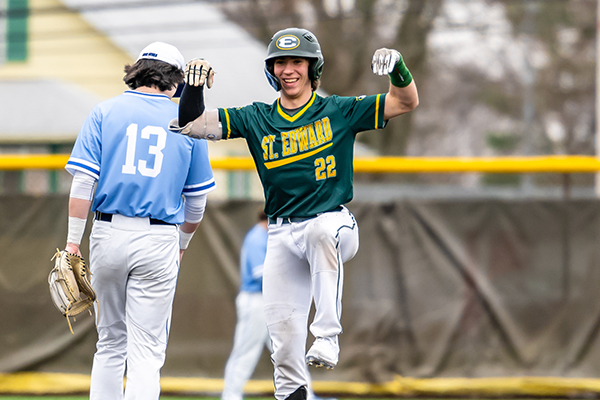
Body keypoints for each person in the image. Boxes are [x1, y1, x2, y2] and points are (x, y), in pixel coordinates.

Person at [171, 27, 419, 400]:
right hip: (282, 234)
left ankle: (327, 336)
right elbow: (191, 124)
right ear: (272, 69)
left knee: (322, 232)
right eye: (281, 62)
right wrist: (193, 87)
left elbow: (405, 102)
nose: (288, 69)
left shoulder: (337, 110)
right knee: (285, 349)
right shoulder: (256, 118)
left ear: (312, 67)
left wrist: (398, 67)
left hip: (334, 222)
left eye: (297, 61)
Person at [63, 41, 216, 400]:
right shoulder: (187, 122)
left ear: (138, 71)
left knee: (111, 343)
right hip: (159, 238)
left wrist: (72, 243)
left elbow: (83, 182)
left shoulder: (105, 111)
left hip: (107, 232)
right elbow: (196, 202)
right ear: (176, 81)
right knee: (146, 351)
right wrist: (181, 244)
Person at [222, 210, 333, 400]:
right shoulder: (256, 237)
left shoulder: (264, 236)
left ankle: (308, 396)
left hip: (270, 302)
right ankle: (230, 397)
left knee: (291, 351)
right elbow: (260, 274)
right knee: (244, 353)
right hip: (255, 301)